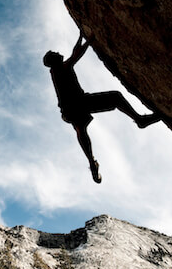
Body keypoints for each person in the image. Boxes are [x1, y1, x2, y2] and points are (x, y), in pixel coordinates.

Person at [44, 35, 161, 183]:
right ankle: (139, 119)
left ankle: (92, 162)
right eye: (55, 53)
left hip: (70, 108)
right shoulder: (58, 69)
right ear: (53, 60)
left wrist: (81, 36)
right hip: (79, 103)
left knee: (81, 130)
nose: (58, 53)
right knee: (116, 97)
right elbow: (76, 55)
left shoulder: (58, 70)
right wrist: (89, 39)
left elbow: (74, 53)